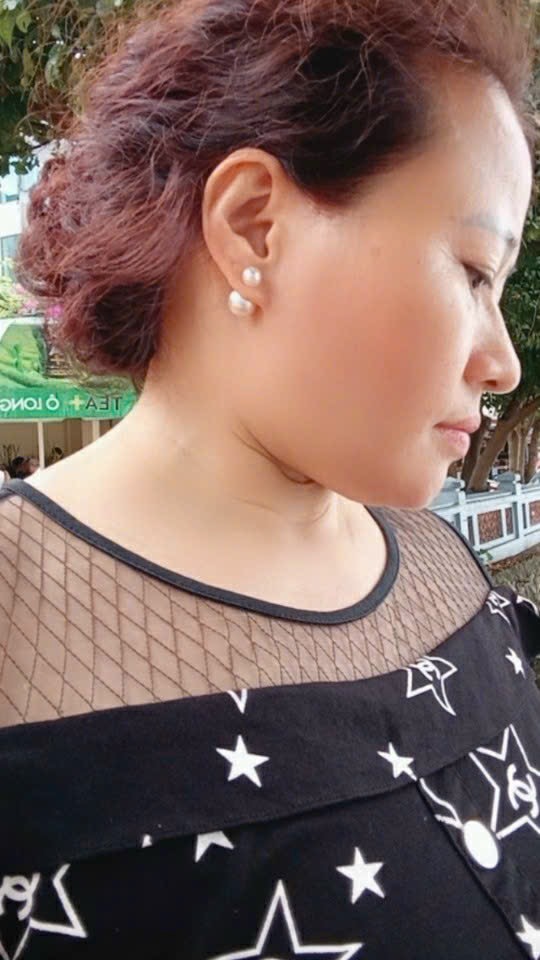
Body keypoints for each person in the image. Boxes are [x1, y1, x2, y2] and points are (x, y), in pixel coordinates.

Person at [0, 1, 539, 957]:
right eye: (472, 271)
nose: (503, 364)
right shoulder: (17, 621)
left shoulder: (441, 565)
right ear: (253, 225)